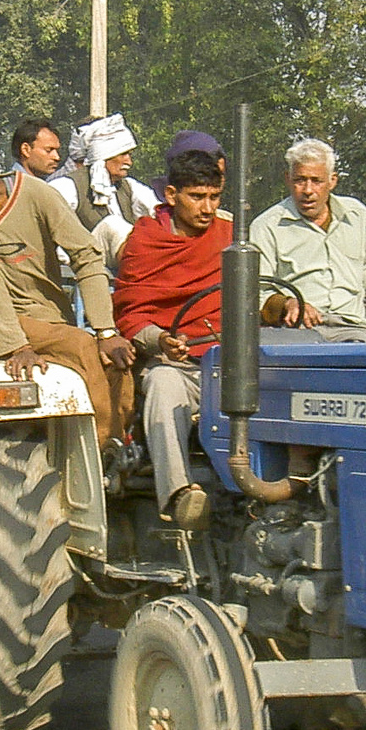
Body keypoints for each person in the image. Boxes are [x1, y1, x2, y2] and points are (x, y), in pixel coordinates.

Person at [0, 122, 135, 449]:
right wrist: (16, 347)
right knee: (81, 347)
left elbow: (86, 256)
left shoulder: (38, 195)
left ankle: (123, 445)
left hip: (48, 317)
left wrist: (106, 331)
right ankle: (104, 451)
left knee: (115, 359)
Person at [113, 149, 231, 529]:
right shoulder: (145, 241)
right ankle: (180, 495)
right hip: (174, 365)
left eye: (214, 197)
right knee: (162, 385)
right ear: (172, 195)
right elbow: (130, 313)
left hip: (228, 361)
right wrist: (160, 341)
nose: (208, 208)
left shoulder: (231, 238)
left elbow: (253, 302)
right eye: (197, 197)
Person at [250, 138, 366, 344]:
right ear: (288, 179)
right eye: (300, 180)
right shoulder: (267, 226)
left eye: (316, 181)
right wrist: (288, 304)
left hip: (353, 328)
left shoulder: (358, 216)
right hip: (297, 331)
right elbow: (258, 292)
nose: (308, 190)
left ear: (332, 181)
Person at [48, 113, 158, 270]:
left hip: (119, 267)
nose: (129, 161)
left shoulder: (128, 186)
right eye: (123, 154)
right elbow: (48, 230)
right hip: (82, 264)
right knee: (112, 225)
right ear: (105, 154)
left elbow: (156, 210)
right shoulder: (68, 186)